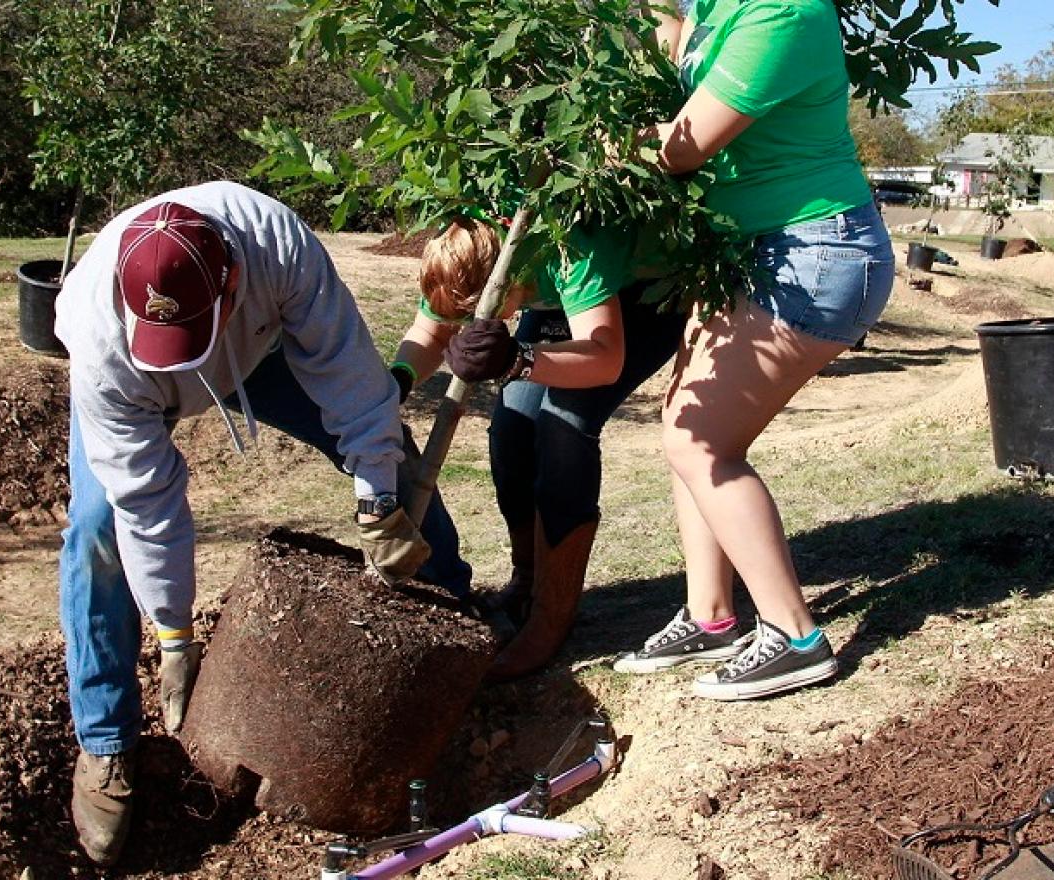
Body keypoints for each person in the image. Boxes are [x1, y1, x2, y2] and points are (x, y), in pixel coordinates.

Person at [54, 181, 473, 865]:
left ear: (232, 279)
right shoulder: (100, 337)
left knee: (391, 461)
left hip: (261, 349)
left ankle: (452, 634)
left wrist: (375, 500)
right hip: (136, 379)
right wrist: (173, 633)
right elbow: (146, 502)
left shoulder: (277, 246)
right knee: (98, 530)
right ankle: (105, 741)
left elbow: (350, 382)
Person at [610, 0, 895, 700]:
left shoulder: (785, 11)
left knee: (700, 441)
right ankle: (711, 618)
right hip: (749, 251)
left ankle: (796, 638)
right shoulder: (717, 6)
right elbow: (673, 48)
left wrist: (598, 149)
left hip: (815, 250)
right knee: (686, 422)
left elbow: (682, 147)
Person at [394, 215, 686, 680]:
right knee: (511, 429)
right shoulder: (460, 250)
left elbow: (604, 359)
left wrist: (516, 359)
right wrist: (398, 381)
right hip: (556, 303)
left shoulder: (573, 249)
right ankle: (527, 579)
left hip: (643, 298)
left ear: (504, 283)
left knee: (563, 427)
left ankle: (552, 615)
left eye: (473, 317)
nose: (464, 327)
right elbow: (429, 334)